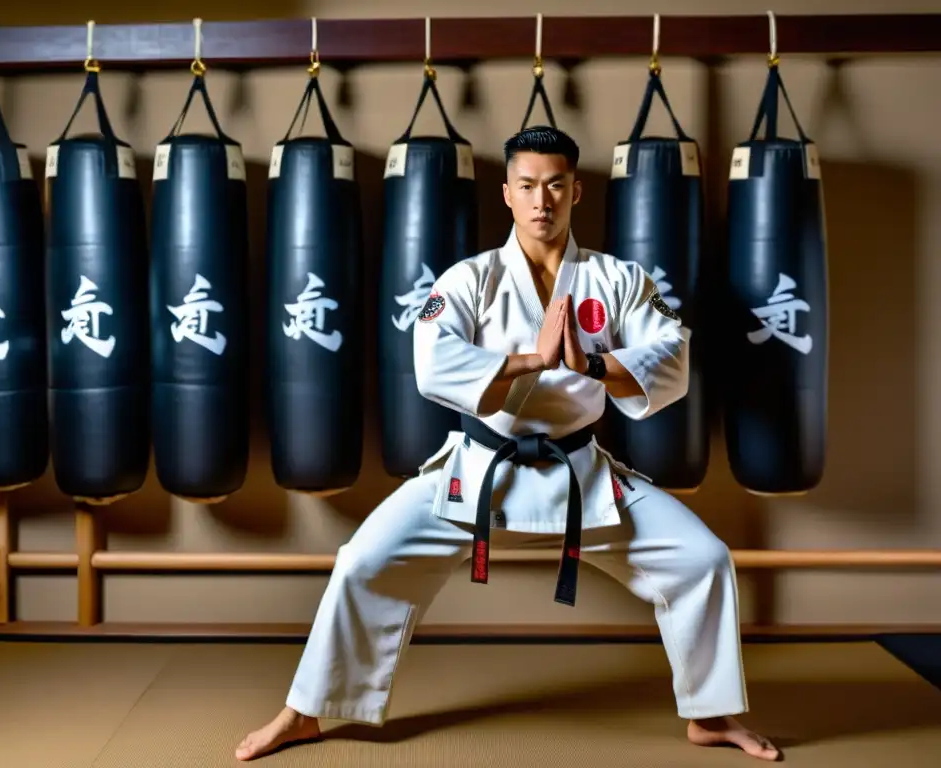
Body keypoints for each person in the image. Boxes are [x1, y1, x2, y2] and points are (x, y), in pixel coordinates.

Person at [235, 126, 780, 762]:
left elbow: (671, 351)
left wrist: (594, 367)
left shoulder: (620, 279)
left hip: (581, 474)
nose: (541, 200)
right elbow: (433, 362)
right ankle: (303, 714)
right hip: (478, 469)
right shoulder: (467, 279)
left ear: (576, 190)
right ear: (507, 193)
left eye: (554, 185)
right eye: (527, 186)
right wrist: (528, 361)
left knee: (704, 559)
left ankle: (712, 716)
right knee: (361, 561)